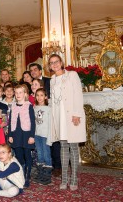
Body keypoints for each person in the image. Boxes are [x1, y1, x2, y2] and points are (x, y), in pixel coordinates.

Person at [48, 54, 86, 191]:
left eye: (56, 61)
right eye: (52, 63)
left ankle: (74, 178)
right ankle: (64, 178)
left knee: (74, 147)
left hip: (71, 116)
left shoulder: (72, 75)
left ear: (61, 62)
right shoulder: (52, 79)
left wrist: (77, 114)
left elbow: (78, 95)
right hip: (59, 117)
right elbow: (52, 100)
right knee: (63, 147)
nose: (55, 64)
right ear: (49, 66)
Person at [8, 84, 35, 188]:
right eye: (16, 92)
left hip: (27, 134)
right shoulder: (13, 106)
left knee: (27, 155)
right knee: (19, 156)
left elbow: (33, 122)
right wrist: (10, 134)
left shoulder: (29, 106)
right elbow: (10, 121)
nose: (18, 94)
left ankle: (27, 177)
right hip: (16, 134)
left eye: (20, 92)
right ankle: (21, 174)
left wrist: (32, 136)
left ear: (25, 94)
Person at [32, 88, 52, 185]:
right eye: (37, 95)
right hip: (36, 134)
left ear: (45, 97)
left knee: (46, 154)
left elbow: (50, 123)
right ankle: (41, 173)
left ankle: (47, 176)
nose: (39, 97)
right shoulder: (34, 108)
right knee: (39, 154)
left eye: (41, 95)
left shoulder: (49, 109)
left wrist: (50, 136)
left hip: (45, 135)